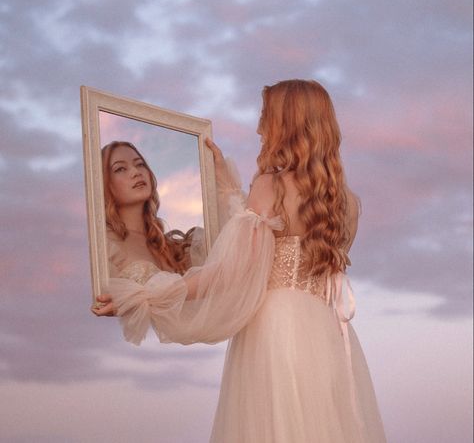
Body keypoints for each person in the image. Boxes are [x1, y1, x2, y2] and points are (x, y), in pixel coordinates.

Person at [93, 80, 387, 442]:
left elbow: (231, 272)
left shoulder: (270, 186)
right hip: (327, 332)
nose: (260, 127)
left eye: (266, 116)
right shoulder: (346, 202)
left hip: (275, 330)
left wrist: (143, 296)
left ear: (286, 123)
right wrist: (229, 188)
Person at [92, 141, 192, 312]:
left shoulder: (173, 246)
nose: (136, 172)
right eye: (120, 169)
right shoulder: (105, 245)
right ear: (104, 184)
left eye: (140, 164)